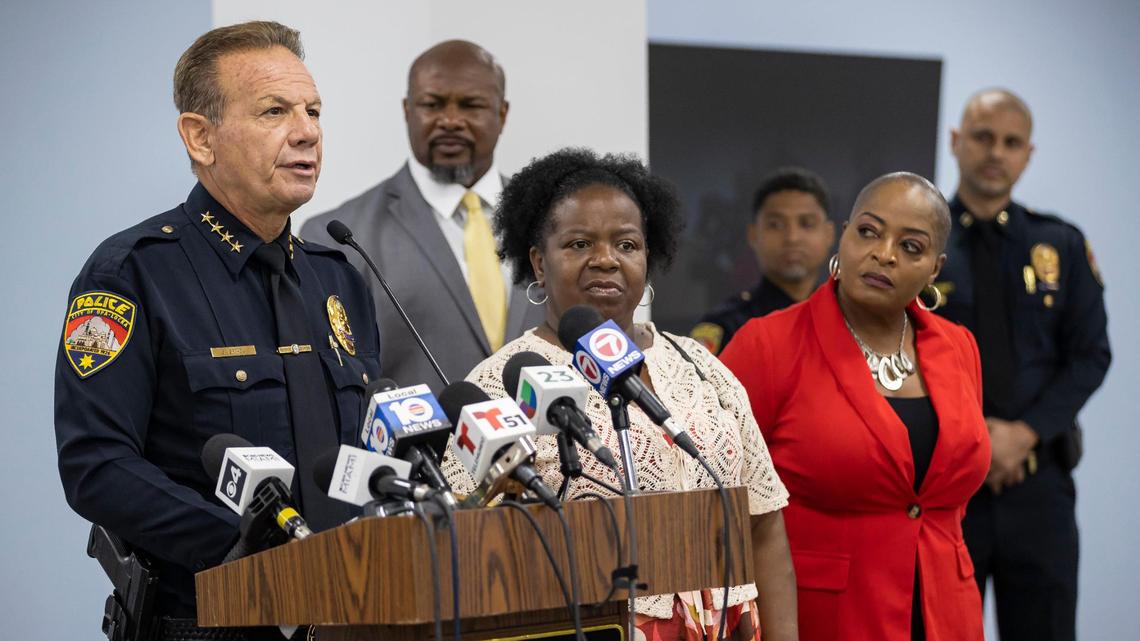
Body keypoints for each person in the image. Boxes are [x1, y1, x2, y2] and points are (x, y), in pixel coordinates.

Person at [55, 22, 381, 639]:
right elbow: (96, 464)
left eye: (313, 111)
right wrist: (247, 549)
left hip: (354, 618)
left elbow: (362, 456)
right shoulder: (132, 274)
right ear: (200, 137)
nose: (307, 131)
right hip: (209, 623)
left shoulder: (339, 279)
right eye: (274, 111)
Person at [441, 148, 798, 641]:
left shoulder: (702, 368)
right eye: (579, 244)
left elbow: (763, 527)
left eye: (627, 244)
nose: (606, 260)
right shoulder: (499, 384)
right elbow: (466, 548)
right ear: (539, 262)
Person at [722, 172, 990, 641]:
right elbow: (718, 498)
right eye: (868, 232)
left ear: (935, 268)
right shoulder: (769, 344)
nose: (884, 253)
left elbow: (946, 499)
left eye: (910, 247)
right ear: (843, 235)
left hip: (949, 614)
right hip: (823, 617)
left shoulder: (960, 347)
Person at [936, 88, 1110, 641]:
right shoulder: (922, 243)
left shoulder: (1059, 243)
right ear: (956, 141)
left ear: (1028, 154)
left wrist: (1023, 434)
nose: (996, 153)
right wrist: (976, 443)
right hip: (943, 487)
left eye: (1012, 143)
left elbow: (1090, 355)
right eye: (983, 137)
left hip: (1038, 488)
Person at [301, 40, 543, 392]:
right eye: (432, 104)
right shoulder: (340, 237)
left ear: (502, 114)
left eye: (471, 105)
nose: (450, 121)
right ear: (407, 110)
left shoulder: (552, 222)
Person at [690, 167, 835, 354]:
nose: (792, 237)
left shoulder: (849, 319)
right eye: (776, 225)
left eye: (806, 223)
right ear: (753, 235)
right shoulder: (727, 326)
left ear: (829, 234)